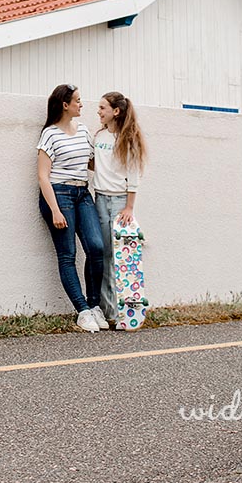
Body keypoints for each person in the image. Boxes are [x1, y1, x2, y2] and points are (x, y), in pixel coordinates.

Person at [37, 84, 108, 332]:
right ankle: (83, 310)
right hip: (59, 195)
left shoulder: (84, 130)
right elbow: (43, 176)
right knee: (67, 254)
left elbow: (92, 164)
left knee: (96, 247)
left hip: (82, 194)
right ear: (65, 105)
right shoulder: (50, 134)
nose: (81, 104)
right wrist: (55, 210)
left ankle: (94, 305)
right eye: (77, 100)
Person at [93, 92, 147, 328]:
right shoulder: (99, 136)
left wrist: (129, 207)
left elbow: (133, 175)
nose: (98, 112)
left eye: (102, 108)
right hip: (99, 199)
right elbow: (95, 163)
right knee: (104, 255)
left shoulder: (128, 139)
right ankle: (108, 311)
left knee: (119, 258)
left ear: (116, 111)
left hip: (119, 202)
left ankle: (121, 312)